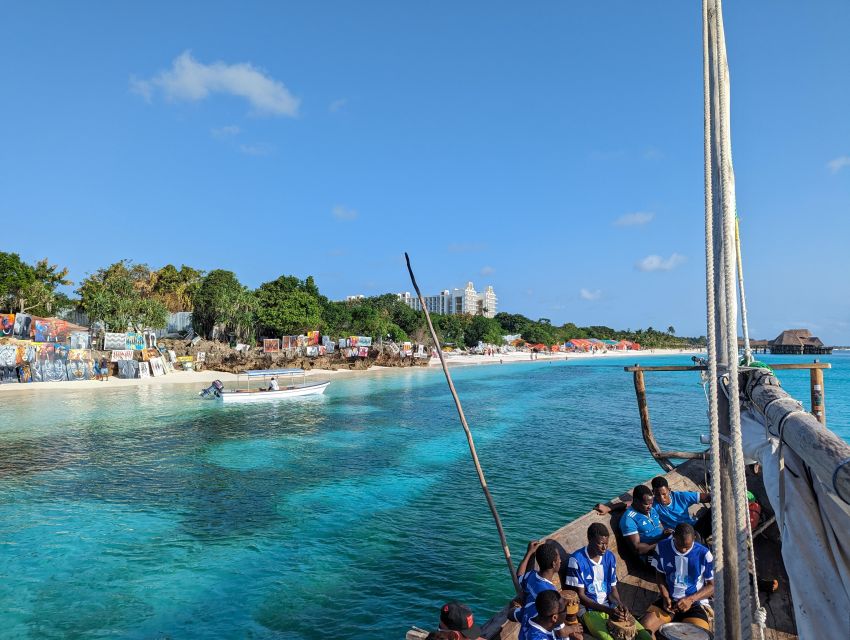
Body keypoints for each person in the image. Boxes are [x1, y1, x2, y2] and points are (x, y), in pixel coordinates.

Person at [565, 524, 651, 640]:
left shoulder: (609, 557)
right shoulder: (576, 560)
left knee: (644, 635)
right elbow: (581, 595)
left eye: (606, 543)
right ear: (590, 539)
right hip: (589, 610)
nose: (604, 547)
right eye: (600, 543)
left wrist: (619, 604)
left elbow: (612, 588)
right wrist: (608, 610)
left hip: (610, 606)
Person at [640, 523, 714, 634]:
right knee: (644, 629)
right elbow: (659, 574)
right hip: (669, 601)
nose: (683, 550)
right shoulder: (661, 547)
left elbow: (712, 586)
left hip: (695, 603)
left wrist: (690, 600)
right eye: (680, 546)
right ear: (673, 536)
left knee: (698, 635)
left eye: (687, 547)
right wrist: (665, 596)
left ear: (694, 538)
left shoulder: (704, 554)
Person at [509, 540, 561, 626]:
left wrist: (529, 553)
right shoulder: (551, 593)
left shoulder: (531, 575)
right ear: (554, 564)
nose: (560, 561)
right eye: (559, 559)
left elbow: (519, 575)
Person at [619, 485, 671, 561]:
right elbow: (637, 549)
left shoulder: (651, 510)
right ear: (636, 501)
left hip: (663, 547)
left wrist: (666, 533)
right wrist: (661, 544)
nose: (650, 506)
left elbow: (660, 529)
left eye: (651, 503)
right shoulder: (629, 519)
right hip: (648, 556)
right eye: (646, 504)